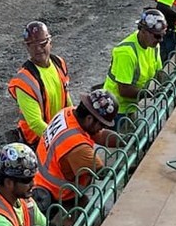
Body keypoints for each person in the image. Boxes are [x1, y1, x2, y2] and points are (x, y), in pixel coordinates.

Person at [32, 88, 120, 217]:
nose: (102, 128)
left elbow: (99, 135)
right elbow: (103, 172)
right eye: (102, 124)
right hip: (56, 195)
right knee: (84, 225)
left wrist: (125, 140)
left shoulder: (68, 113)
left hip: (42, 179)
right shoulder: (77, 146)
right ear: (90, 119)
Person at [6, 21, 71, 148]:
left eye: (42, 44)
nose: (38, 49)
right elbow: (35, 124)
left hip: (56, 131)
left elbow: (66, 97)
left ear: (50, 42)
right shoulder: (24, 81)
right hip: (38, 142)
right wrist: (61, 141)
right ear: (27, 47)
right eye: (32, 45)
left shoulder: (58, 63)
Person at [104, 11, 167, 120]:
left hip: (130, 106)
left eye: (162, 36)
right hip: (115, 109)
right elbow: (124, 90)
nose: (160, 40)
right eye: (157, 36)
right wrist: (151, 93)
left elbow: (159, 73)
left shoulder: (153, 46)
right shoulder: (126, 53)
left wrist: (170, 85)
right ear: (143, 31)